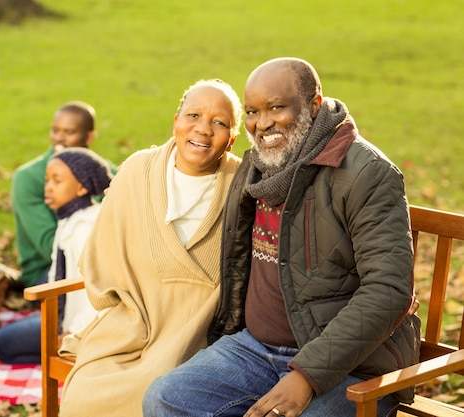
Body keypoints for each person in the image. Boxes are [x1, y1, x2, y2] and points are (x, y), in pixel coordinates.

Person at [142, 57, 421, 417]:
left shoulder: (367, 173)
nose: (263, 123)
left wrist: (306, 376)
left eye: (276, 108)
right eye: (253, 112)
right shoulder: (260, 167)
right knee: (165, 399)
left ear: (314, 106)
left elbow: (389, 291)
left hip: (350, 365)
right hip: (254, 351)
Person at [59, 78, 243, 417]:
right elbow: (102, 252)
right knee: (86, 395)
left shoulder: (243, 184)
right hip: (133, 323)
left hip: (198, 335)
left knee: (159, 391)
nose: (203, 129)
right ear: (175, 122)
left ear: (231, 139)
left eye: (219, 122)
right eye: (193, 115)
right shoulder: (137, 170)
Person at [0, 147, 113, 364]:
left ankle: (79, 354)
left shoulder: (86, 228)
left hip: (90, 325)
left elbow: (102, 291)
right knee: (1, 344)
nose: (48, 188)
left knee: (2, 344)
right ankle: (62, 353)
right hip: (66, 319)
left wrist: (75, 333)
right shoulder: (69, 219)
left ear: (82, 187)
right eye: (47, 180)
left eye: (57, 181)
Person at [11, 101, 115, 288]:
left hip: (100, 263)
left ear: (89, 137)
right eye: (56, 131)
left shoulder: (107, 173)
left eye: (69, 132)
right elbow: (49, 247)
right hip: (47, 270)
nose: (59, 139)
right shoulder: (27, 178)